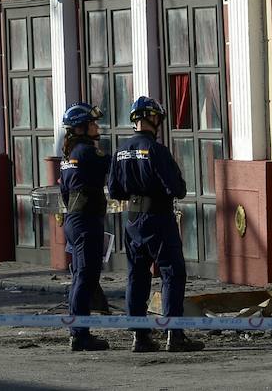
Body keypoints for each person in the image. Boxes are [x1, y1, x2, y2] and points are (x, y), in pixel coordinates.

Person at [109, 95, 201, 354]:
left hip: (132, 220)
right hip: (159, 218)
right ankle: (175, 334)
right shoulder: (156, 150)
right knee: (172, 273)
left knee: (136, 277)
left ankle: (139, 337)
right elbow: (177, 189)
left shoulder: (120, 151)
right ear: (153, 118)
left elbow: (114, 190)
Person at [58, 101, 111, 352]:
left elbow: (64, 192)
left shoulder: (68, 155)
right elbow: (113, 169)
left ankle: (78, 330)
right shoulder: (88, 152)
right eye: (93, 123)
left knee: (80, 276)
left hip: (74, 218)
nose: (97, 126)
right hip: (86, 221)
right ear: (81, 127)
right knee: (86, 277)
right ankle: (80, 333)